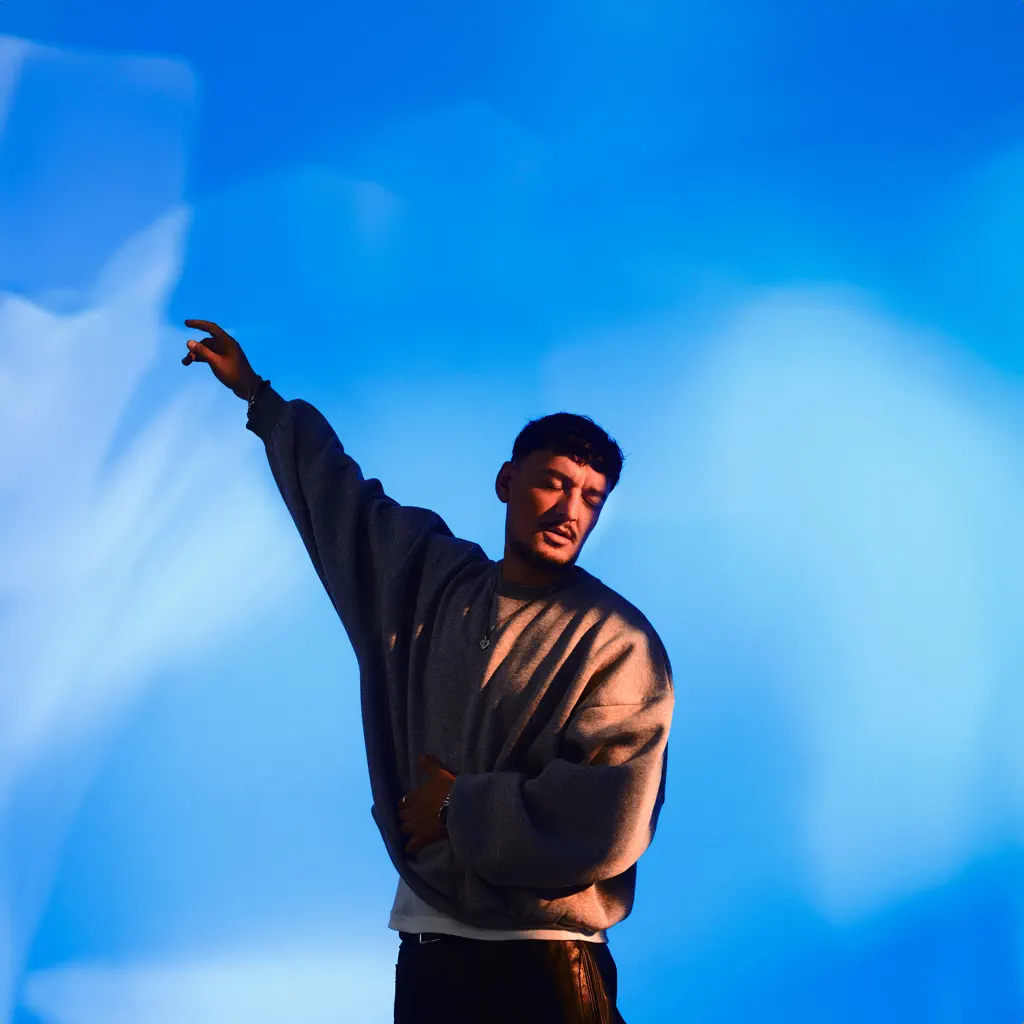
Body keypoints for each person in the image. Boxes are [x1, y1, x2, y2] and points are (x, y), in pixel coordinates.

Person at [181, 318, 675, 1024]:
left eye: (591, 497)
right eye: (554, 484)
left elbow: (610, 816)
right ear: (507, 481)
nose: (570, 510)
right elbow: (346, 503)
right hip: (430, 949)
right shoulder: (431, 581)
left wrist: (458, 805)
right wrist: (258, 398)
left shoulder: (617, 641)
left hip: (548, 960)